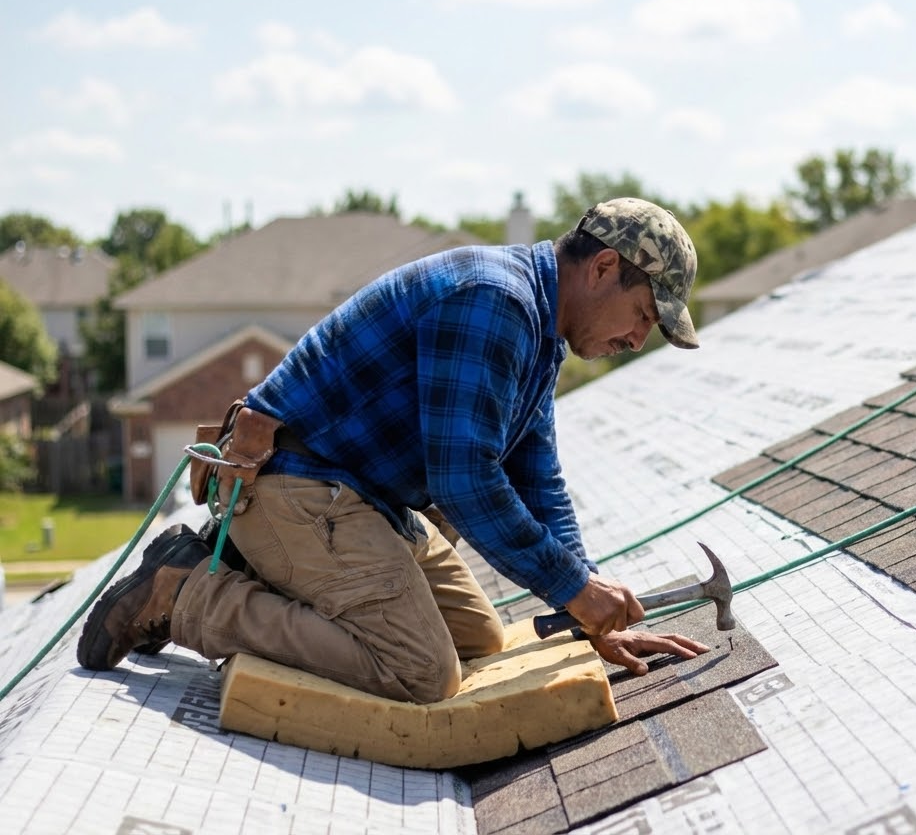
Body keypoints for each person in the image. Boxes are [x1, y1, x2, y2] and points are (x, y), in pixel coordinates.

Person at [77, 198, 711, 704]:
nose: (636, 338)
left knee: (478, 641)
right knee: (421, 673)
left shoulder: (540, 332)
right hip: (297, 484)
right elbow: (464, 480)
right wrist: (574, 588)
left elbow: (538, 481)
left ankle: (252, 569)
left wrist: (589, 605)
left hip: (358, 501)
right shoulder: (497, 302)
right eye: (642, 315)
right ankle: (185, 593)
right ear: (602, 269)